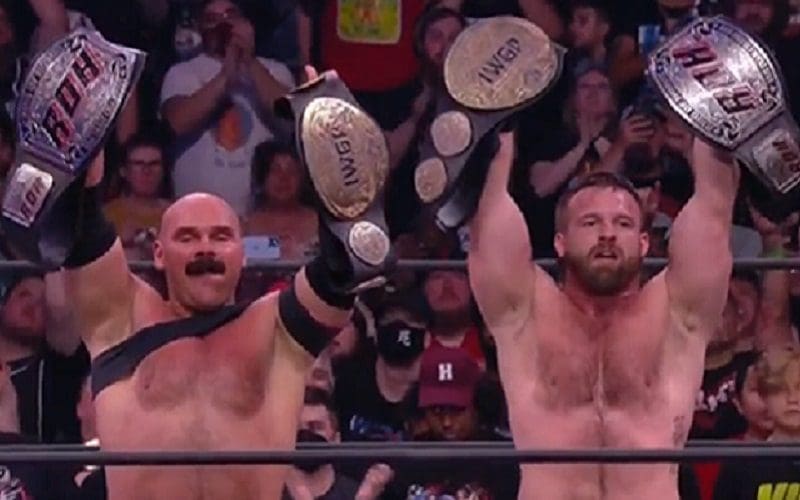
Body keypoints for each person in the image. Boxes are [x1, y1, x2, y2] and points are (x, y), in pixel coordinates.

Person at [54, 82, 375, 499]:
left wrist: (331, 146)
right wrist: (82, 152)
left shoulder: (276, 329)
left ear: (242, 253)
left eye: (220, 236)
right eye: (187, 237)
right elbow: (80, 231)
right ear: (158, 254)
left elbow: (344, 268)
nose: (205, 248)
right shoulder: (123, 319)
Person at [468, 129, 740, 499]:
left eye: (623, 223)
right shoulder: (526, 310)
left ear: (643, 243)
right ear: (560, 242)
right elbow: (488, 203)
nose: (608, 234)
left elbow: (714, 203)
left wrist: (713, 114)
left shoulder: (676, 312)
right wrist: (493, 112)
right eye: (591, 222)